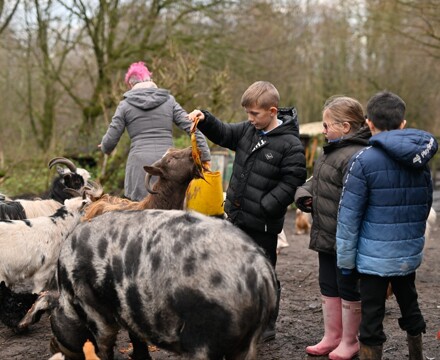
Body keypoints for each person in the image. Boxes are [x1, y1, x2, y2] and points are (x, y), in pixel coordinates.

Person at [188, 81, 307, 342]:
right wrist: (205, 118)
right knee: (235, 269)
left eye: (254, 114)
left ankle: (267, 323)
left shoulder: (290, 144)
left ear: (273, 110)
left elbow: (293, 181)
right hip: (237, 217)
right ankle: (238, 316)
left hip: (264, 224)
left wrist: (268, 206)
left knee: (264, 273)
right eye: (247, 114)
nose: (249, 119)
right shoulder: (247, 131)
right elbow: (223, 132)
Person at [336, 91, 438, 360]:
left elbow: (348, 218)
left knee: (371, 318)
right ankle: (416, 354)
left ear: (368, 123)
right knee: (410, 306)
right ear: (403, 123)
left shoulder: (363, 162)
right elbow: (424, 208)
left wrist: (346, 264)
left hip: (372, 262)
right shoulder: (421, 162)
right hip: (406, 258)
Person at [294, 96, 371, 360]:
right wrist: (304, 195)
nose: (324, 130)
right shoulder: (330, 151)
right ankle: (332, 336)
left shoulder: (357, 156)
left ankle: (350, 340)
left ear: (346, 127)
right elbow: (315, 180)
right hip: (325, 232)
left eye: (327, 126)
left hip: (345, 237)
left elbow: (357, 196)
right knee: (328, 284)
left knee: (348, 286)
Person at [99, 61, 211, 201]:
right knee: (170, 211)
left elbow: (110, 140)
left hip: (140, 166)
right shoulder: (168, 101)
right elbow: (192, 127)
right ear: (150, 80)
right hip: (169, 165)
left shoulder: (125, 105)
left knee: (139, 213)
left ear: (131, 84)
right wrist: (205, 156)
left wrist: (104, 146)